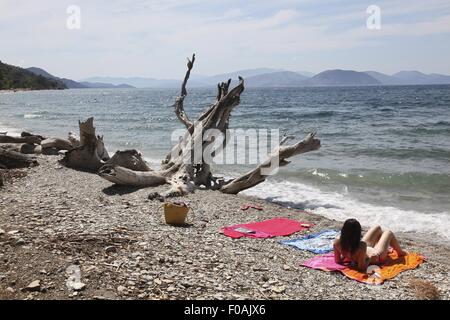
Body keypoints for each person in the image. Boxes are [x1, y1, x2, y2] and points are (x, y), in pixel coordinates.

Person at [333, 219, 407, 272]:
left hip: (362, 249)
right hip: (377, 256)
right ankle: (400, 252)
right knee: (388, 232)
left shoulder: (337, 242)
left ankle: (383, 246)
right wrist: (369, 259)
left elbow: (337, 260)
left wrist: (347, 256)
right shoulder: (361, 246)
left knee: (377, 228)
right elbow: (361, 268)